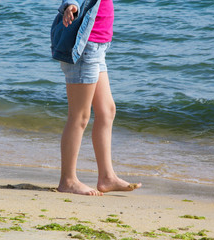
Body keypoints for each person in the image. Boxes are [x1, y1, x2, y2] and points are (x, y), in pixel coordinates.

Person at [51, 0, 142, 196]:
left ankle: (107, 177)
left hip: (98, 46)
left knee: (107, 111)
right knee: (79, 116)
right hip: (84, 47)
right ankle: (67, 180)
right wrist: (71, 5)